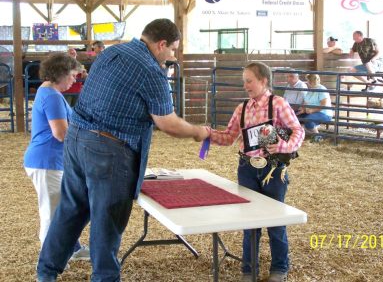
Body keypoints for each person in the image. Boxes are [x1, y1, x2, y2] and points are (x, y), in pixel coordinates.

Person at [36, 19, 208, 282]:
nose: (173, 55)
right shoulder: (152, 71)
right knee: (107, 220)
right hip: (109, 149)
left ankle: (46, 273)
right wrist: (199, 132)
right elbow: (167, 123)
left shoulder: (112, 52)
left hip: (76, 138)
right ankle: (105, 278)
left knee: (71, 210)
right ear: (161, 44)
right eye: (173, 49)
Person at [204, 62, 304, 282]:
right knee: (249, 222)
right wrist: (207, 134)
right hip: (247, 168)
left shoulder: (278, 103)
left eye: (249, 80)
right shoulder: (243, 108)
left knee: (276, 220)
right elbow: (229, 137)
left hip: (273, 168)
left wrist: (282, 146)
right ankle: (249, 270)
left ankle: (279, 268)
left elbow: (298, 131)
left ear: (263, 81)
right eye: (244, 81)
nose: (245, 85)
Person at [23, 53, 89, 260]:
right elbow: (61, 133)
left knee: (64, 207)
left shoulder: (48, 91)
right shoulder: (52, 96)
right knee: (51, 213)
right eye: (71, 75)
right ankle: (48, 259)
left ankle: (73, 248)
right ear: (60, 74)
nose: (73, 80)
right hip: (47, 160)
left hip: (50, 160)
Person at [297, 74, 332, 141]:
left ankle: (318, 136)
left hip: (324, 113)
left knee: (308, 120)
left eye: (308, 81)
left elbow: (323, 105)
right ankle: (303, 134)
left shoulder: (322, 89)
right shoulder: (310, 90)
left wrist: (312, 110)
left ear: (311, 81)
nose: (307, 82)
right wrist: (303, 110)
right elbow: (306, 102)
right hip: (310, 112)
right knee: (295, 117)